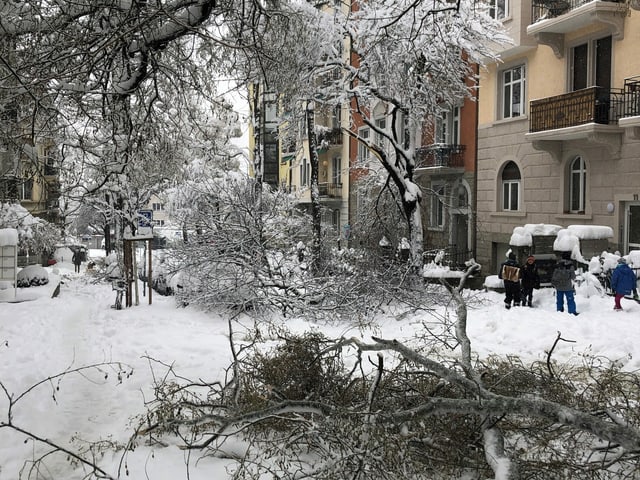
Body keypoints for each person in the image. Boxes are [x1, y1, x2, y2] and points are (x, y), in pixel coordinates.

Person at [551, 251, 579, 315]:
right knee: (570, 300)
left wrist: (554, 282)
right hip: (568, 287)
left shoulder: (558, 265)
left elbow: (554, 275)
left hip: (559, 286)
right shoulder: (570, 265)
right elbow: (573, 277)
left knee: (559, 300)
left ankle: (559, 311)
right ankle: (572, 312)